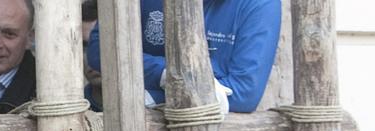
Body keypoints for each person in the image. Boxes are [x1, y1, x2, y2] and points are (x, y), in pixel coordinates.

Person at [85, 0, 281, 113]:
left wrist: (154, 94)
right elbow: (101, 49)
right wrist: (167, 74)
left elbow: (244, 94)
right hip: (121, 120)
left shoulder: (260, 4)